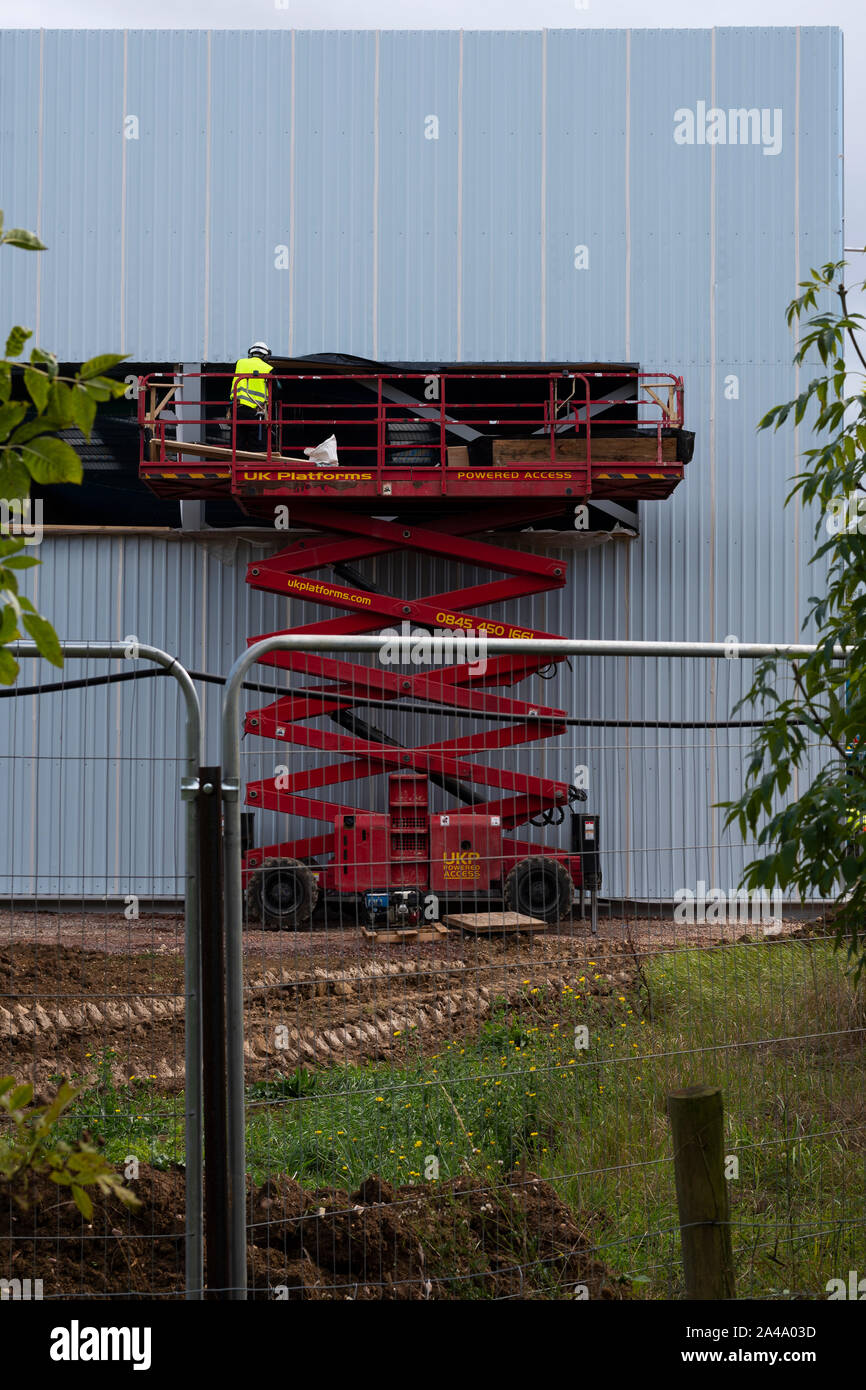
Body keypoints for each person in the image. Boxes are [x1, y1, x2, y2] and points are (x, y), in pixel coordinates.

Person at [229, 342, 276, 455]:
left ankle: (235, 468)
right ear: (266, 356)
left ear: (250, 354)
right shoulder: (269, 368)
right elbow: (275, 392)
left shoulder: (239, 363)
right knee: (258, 447)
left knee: (237, 445)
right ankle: (255, 469)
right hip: (257, 412)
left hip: (237, 409)